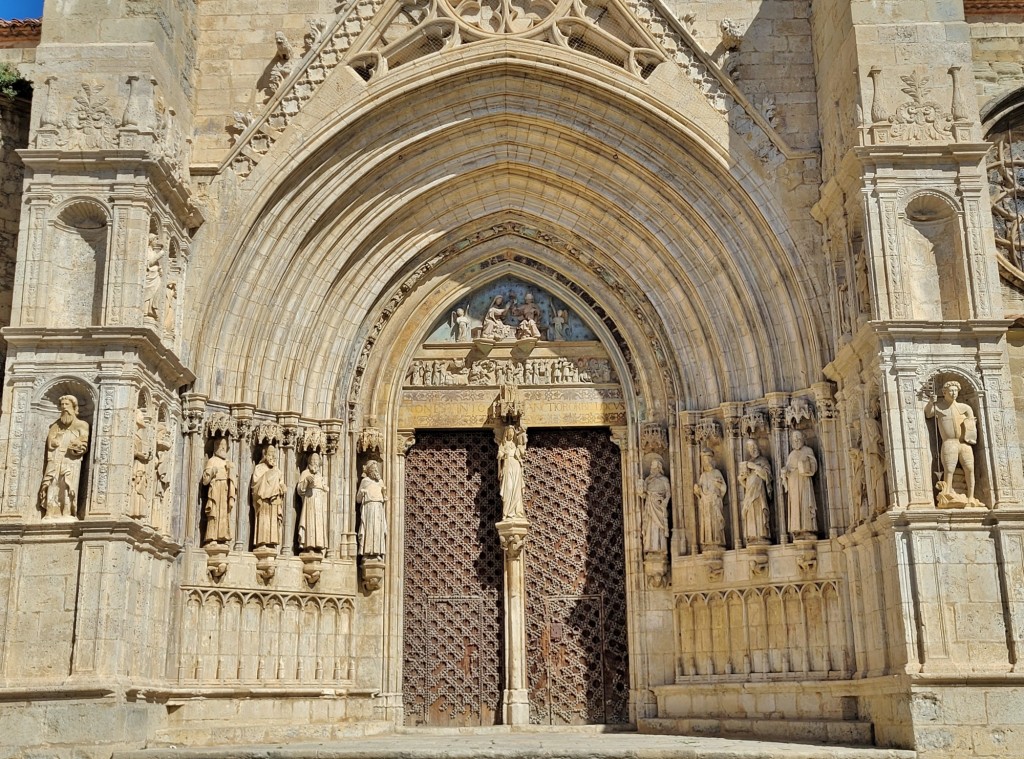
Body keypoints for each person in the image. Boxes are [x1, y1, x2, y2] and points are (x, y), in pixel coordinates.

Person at [925, 380, 978, 505]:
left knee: (970, 469)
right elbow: (928, 414)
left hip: (964, 442)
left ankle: (971, 497)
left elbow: (971, 424)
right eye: (951, 391)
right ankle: (947, 493)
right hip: (949, 442)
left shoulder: (965, 408)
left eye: (956, 391)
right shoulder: (939, 407)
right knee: (949, 469)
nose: (954, 393)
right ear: (944, 392)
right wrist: (930, 402)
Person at [38, 395, 90, 519]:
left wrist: (77, 445)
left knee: (68, 485)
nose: (64, 407)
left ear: (74, 407)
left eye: (67, 404)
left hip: (71, 460)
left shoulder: (82, 425)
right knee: (52, 482)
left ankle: (67, 512)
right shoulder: (55, 426)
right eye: (62, 405)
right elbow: (50, 442)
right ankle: (50, 512)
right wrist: (55, 440)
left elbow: (84, 442)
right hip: (55, 458)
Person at [782, 430, 818, 539]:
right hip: (793, 484)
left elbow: (813, 466)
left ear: (803, 438)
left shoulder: (808, 450)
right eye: (794, 438)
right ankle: (797, 530)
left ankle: (807, 528)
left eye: (798, 437)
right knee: (795, 506)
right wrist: (785, 472)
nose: (796, 440)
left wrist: (805, 467)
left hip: (804, 482)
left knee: (805, 503)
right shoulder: (791, 454)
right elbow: (788, 468)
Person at [201, 438, 236, 544]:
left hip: (225, 490)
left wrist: (231, 471)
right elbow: (205, 481)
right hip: (215, 489)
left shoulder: (228, 463)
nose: (223, 448)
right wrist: (212, 472)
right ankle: (212, 537)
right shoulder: (212, 461)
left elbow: (233, 482)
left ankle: (223, 536)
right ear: (215, 447)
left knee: (224, 514)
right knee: (214, 513)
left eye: (224, 445)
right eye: (220, 445)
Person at [738, 438, 772, 544]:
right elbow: (745, 484)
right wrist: (741, 479)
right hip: (749, 493)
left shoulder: (763, 461)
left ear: (758, 447)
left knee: (759, 511)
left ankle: (762, 535)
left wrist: (755, 467)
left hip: (759, 492)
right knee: (750, 512)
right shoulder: (747, 463)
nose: (752, 449)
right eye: (750, 447)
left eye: (754, 446)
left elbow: (768, 476)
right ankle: (752, 536)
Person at [252, 444, 286, 548]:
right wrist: (269, 477)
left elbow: (281, 483)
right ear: (265, 455)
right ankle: (262, 542)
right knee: (264, 519)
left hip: (274, 501)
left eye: (274, 453)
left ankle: (272, 542)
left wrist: (282, 487)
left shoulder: (278, 471)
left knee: (273, 521)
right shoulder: (259, 468)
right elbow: (255, 484)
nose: (273, 456)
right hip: (264, 501)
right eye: (271, 453)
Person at [297, 452, 329, 551]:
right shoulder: (305, 473)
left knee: (319, 523)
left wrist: (324, 488)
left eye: (317, 460)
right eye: (313, 460)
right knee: (310, 521)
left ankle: (318, 545)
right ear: (309, 461)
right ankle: (309, 545)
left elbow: (324, 487)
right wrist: (306, 481)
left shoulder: (320, 475)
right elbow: (299, 489)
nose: (315, 462)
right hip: (309, 500)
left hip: (319, 502)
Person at [694, 450, 726, 549]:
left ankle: (717, 541)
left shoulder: (716, 472)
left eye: (708, 460)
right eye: (704, 460)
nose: (706, 462)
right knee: (707, 522)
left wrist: (719, 485)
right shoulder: (703, 475)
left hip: (715, 501)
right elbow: (699, 491)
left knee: (716, 521)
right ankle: (708, 542)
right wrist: (697, 490)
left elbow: (724, 488)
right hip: (706, 503)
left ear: (712, 460)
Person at [356, 460, 387, 558]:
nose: (376, 471)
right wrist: (362, 492)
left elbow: (385, 497)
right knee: (369, 530)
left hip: (378, 508)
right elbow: (358, 499)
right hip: (369, 509)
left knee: (378, 530)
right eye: (374, 469)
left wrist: (384, 493)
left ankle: (377, 552)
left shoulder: (380, 482)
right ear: (369, 471)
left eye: (376, 469)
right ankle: (367, 553)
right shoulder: (365, 481)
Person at [640, 457, 671, 553]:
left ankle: (660, 549)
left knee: (659, 527)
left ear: (659, 468)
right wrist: (641, 491)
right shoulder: (648, 480)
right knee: (650, 525)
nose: (652, 470)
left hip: (659, 505)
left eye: (654, 468)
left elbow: (668, 493)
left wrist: (665, 502)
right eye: (652, 468)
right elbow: (644, 494)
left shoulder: (664, 479)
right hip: (650, 505)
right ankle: (650, 548)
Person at [498, 425, 526, 520]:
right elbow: (499, 455)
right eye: (509, 432)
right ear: (506, 433)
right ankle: (506, 513)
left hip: (516, 466)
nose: (511, 433)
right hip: (507, 466)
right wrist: (502, 454)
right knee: (508, 488)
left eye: (512, 432)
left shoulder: (516, 444)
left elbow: (522, 451)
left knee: (516, 489)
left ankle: (517, 512)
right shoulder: (503, 444)